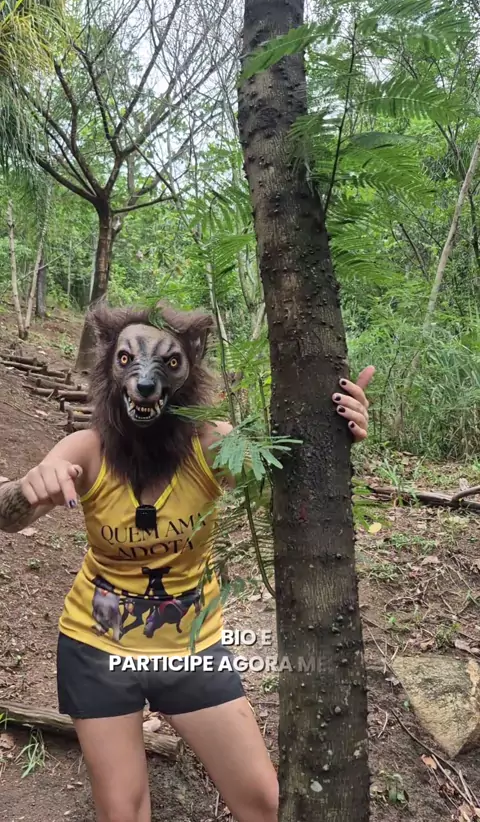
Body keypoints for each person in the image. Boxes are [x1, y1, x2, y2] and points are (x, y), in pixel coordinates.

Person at [0, 302, 374, 822]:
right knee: (124, 813)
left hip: (191, 647)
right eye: (127, 359)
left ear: (191, 367)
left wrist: (336, 436)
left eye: (167, 363)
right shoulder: (85, 449)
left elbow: (290, 483)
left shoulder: (213, 445)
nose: (145, 379)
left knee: (266, 805)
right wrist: (27, 487)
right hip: (98, 644)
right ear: (108, 365)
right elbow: (8, 516)